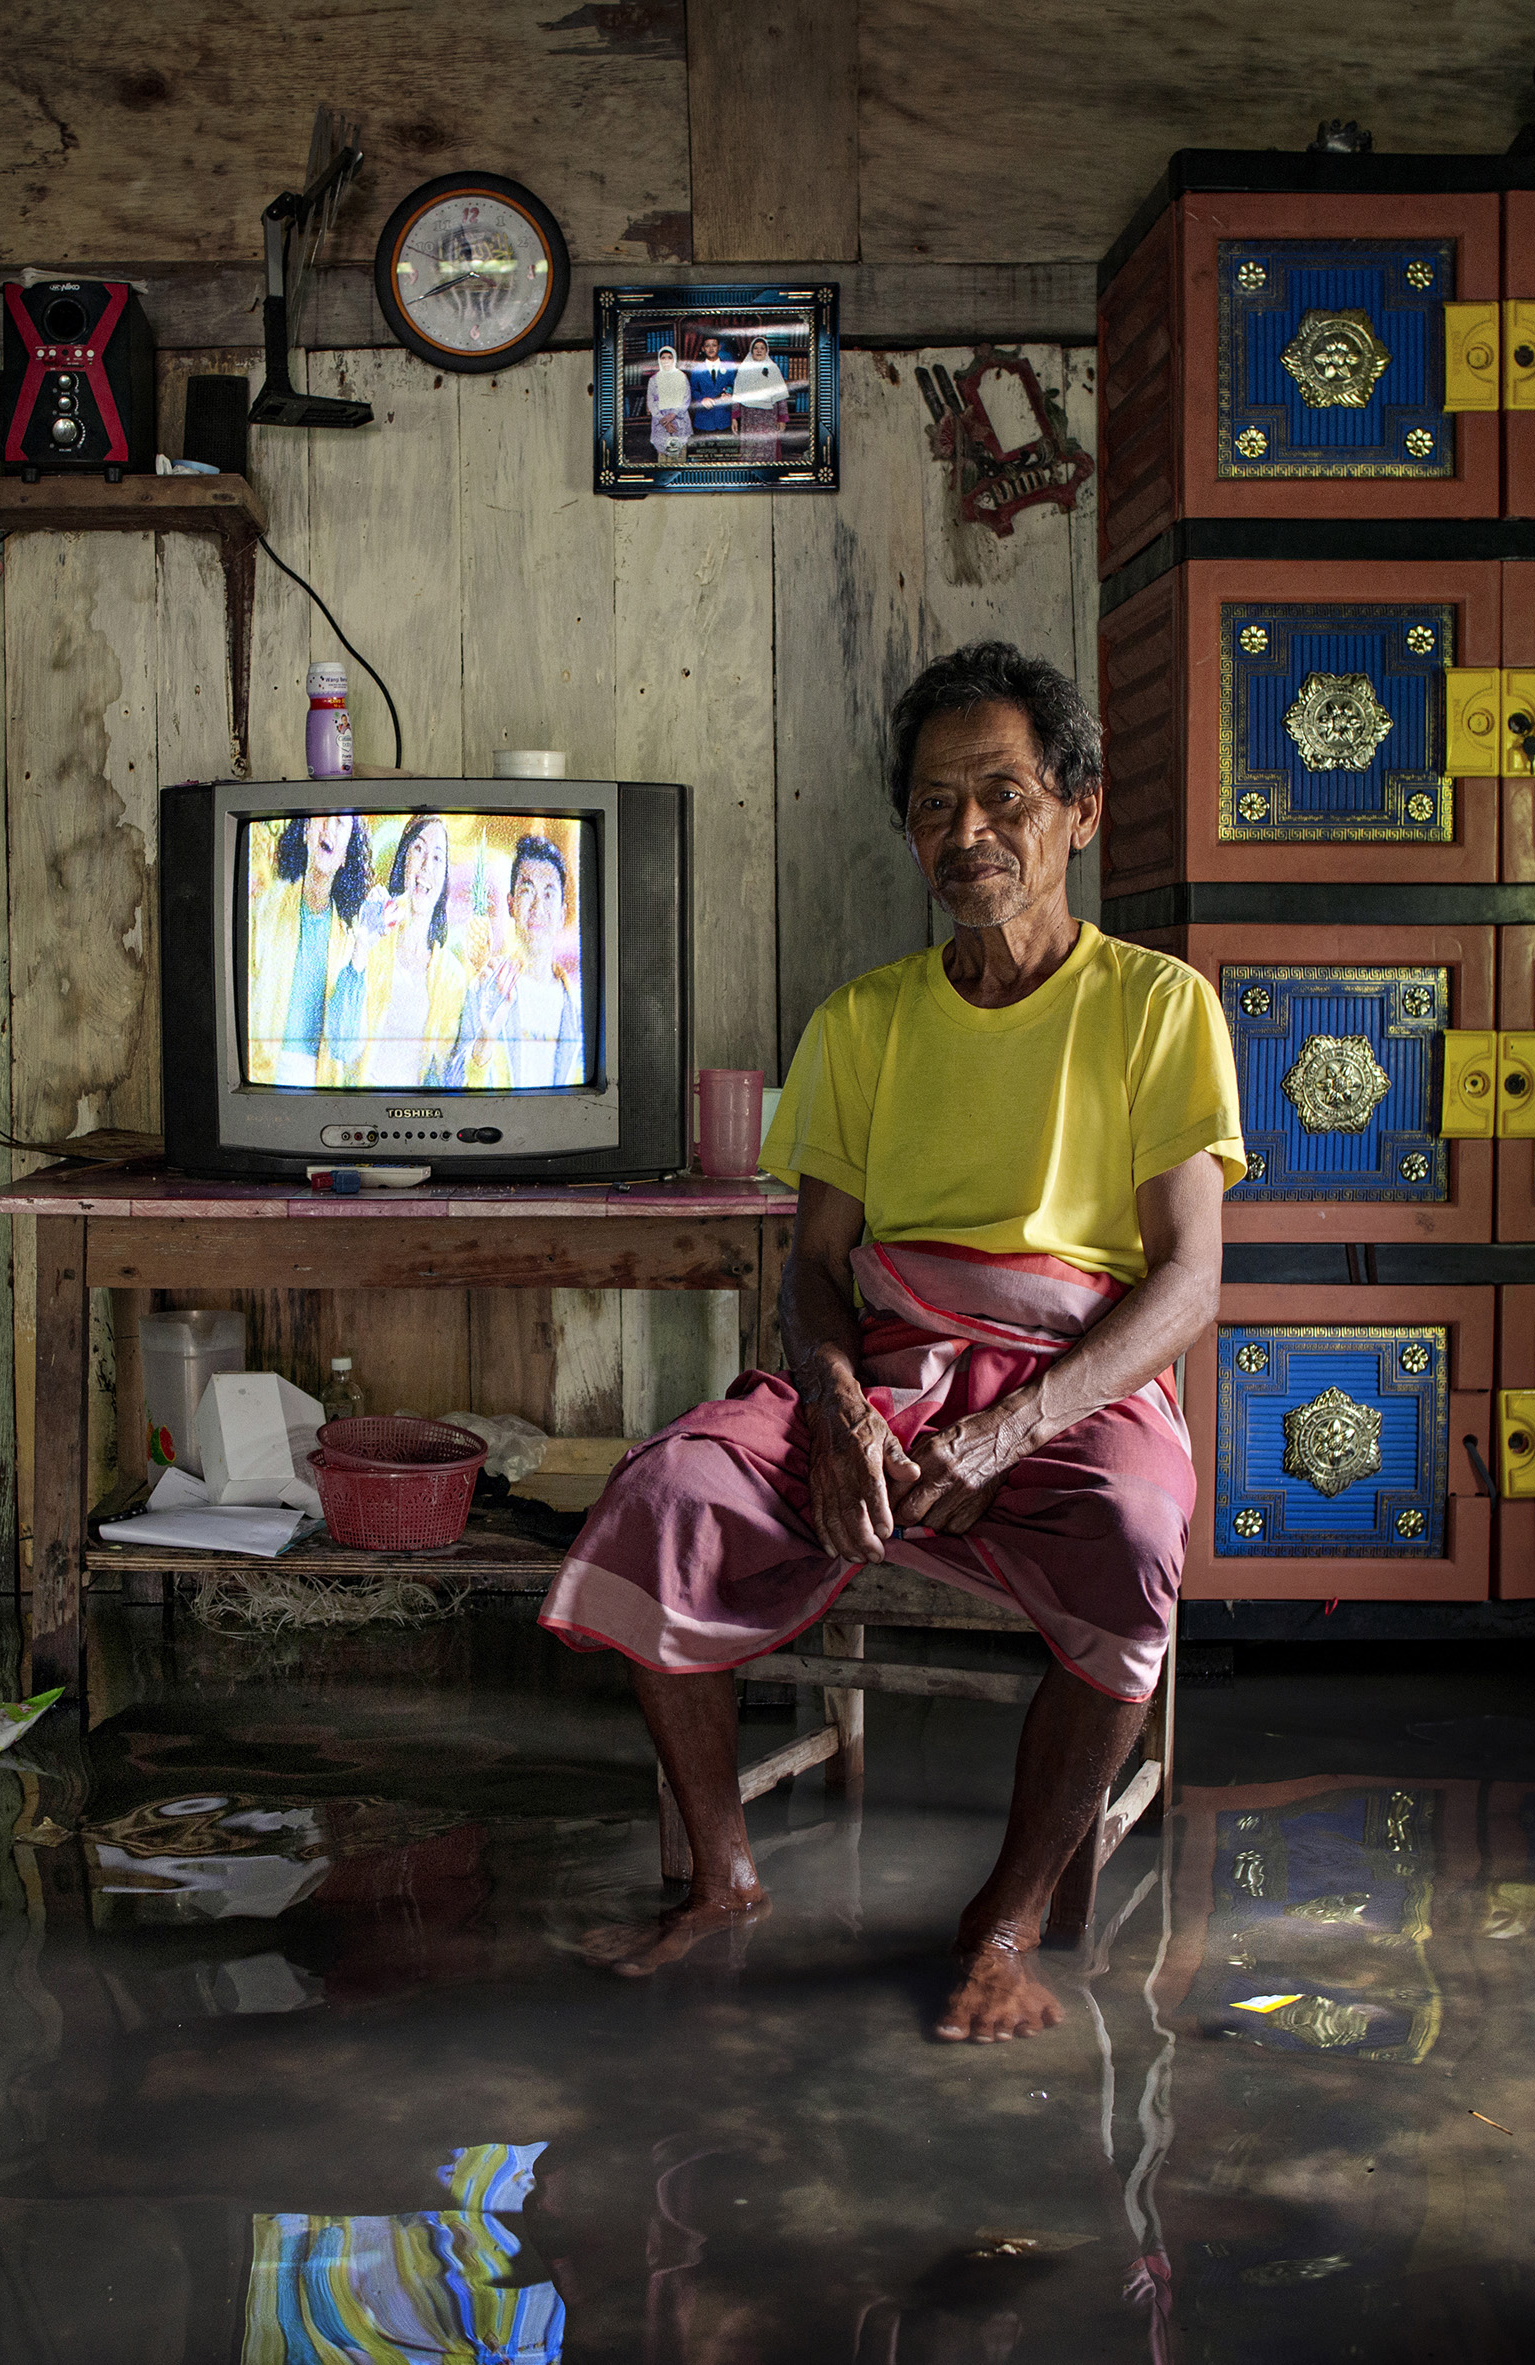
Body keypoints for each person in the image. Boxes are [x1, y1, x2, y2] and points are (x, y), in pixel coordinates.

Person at [542, 642, 1244, 2045]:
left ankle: (1003, 1923)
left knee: (1134, 1527)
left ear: (1079, 810)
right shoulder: (861, 1021)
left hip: (1068, 1384)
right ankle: (721, 1874)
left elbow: (1184, 1284)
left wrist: (1010, 1427)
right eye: (934, 806)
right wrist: (841, 1404)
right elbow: (809, 1270)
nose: (966, 833)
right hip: (887, 1365)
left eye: (1003, 796)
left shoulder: (1155, 1006)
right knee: (662, 1495)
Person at [246, 809, 372, 1087]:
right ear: (305, 832)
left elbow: (345, 1049)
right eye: (322, 818)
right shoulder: (264, 909)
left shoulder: (351, 938)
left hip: (320, 1087)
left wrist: (360, 956)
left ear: (344, 857)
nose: (328, 827)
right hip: (260, 1077)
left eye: (340, 823)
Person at [356, 815, 477, 1091]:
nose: (426, 866)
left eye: (437, 858)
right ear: (403, 859)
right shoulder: (371, 939)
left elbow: (446, 1071)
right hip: (358, 1107)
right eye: (419, 849)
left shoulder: (452, 977)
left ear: (445, 877)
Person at [464, 833, 584, 1089]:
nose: (537, 907)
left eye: (549, 894)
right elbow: (452, 1084)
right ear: (510, 904)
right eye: (527, 891)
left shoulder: (578, 1009)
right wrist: (485, 1041)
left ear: (563, 913)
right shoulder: (485, 988)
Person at [732, 334, 788, 463]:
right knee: (750, 447)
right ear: (751, 351)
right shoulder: (744, 369)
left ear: (766, 351)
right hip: (749, 416)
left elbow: (781, 397)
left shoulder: (773, 369)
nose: (758, 351)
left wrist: (782, 419)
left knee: (767, 446)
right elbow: (737, 395)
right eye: (756, 348)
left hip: (768, 416)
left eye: (762, 348)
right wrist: (734, 418)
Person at [687, 331, 740, 457]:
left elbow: (733, 387)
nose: (711, 348)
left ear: (719, 347)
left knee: (724, 457)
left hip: (724, 419)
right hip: (703, 421)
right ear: (703, 348)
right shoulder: (696, 369)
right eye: (708, 346)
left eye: (714, 345)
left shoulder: (729, 367)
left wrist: (728, 393)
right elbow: (693, 390)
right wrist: (701, 399)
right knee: (704, 458)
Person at [644, 338, 693, 466]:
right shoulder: (653, 380)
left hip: (679, 419)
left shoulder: (681, 376)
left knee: (679, 458)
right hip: (660, 422)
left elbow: (686, 399)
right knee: (663, 460)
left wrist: (672, 415)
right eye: (663, 357)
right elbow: (651, 402)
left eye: (669, 357)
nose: (666, 360)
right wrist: (664, 421)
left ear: (674, 359)